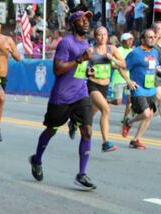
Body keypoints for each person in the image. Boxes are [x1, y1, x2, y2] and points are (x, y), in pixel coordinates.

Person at [29, 10, 98, 190]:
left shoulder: (85, 42)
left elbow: (79, 67)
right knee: (51, 130)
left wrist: (86, 70)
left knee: (88, 131)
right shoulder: (66, 43)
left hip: (80, 93)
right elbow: (58, 70)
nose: (85, 23)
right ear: (73, 23)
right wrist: (80, 59)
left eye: (87, 20)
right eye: (81, 20)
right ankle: (36, 160)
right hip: (62, 96)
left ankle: (82, 174)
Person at [84, 27, 125, 152]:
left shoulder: (111, 49)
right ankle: (105, 142)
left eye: (104, 35)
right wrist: (88, 72)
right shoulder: (90, 51)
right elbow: (82, 69)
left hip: (105, 86)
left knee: (93, 112)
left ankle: (77, 122)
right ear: (95, 37)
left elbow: (123, 64)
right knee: (106, 109)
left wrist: (112, 58)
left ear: (107, 36)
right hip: (93, 85)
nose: (102, 37)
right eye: (99, 35)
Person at [120, 29, 160, 150]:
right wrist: (129, 81)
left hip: (150, 87)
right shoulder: (135, 53)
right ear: (143, 39)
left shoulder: (154, 52)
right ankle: (129, 122)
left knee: (150, 115)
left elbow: (155, 68)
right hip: (138, 88)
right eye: (150, 37)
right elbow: (121, 67)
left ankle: (136, 139)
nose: (153, 39)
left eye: (154, 37)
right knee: (146, 113)